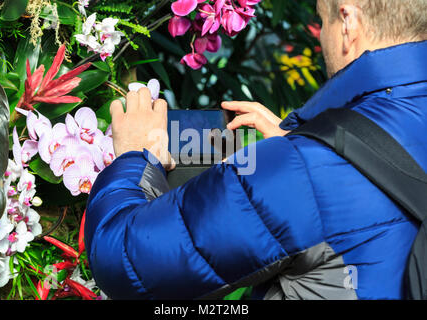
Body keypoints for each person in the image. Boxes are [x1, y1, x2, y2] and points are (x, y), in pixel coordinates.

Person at [84, 0, 427, 299]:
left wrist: (136, 155)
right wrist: (312, 143)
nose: (322, 36)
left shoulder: (304, 169)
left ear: (348, 23)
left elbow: (121, 259)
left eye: (324, 21)